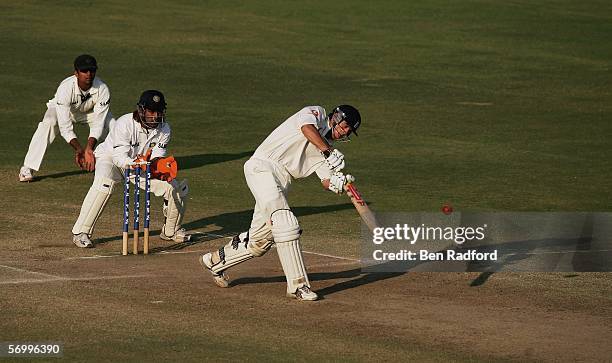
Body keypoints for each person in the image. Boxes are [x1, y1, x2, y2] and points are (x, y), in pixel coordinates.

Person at [199, 105, 362, 301]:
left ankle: (214, 262)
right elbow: (306, 129)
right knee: (286, 223)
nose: (345, 132)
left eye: (348, 131)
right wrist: (327, 151)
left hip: (280, 182)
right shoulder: (316, 114)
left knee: (260, 242)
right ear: (336, 117)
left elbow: (326, 181)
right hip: (262, 167)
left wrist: (339, 183)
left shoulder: (326, 151)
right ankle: (298, 286)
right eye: (345, 126)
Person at [71, 90, 191, 248]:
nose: (155, 116)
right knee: (104, 184)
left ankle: (170, 231)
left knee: (174, 188)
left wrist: (160, 167)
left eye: (159, 111)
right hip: (110, 159)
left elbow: (157, 156)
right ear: (141, 110)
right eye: (151, 111)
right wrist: (138, 163)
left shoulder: (164, 129)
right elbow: (119, 157)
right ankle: (81, 232)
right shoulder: (124, 123)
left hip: (139, 166)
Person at [19, 54, 114, 182]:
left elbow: (98, 123)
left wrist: (89, 149)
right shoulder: (65, 88)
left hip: (90, 112)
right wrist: (79, 149)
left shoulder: (102, 89)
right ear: (76, 73)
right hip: (64, 111)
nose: (89, 74)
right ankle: (27, 168)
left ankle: (117, 165)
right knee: (50, 122)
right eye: (84, 71)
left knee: (113, 124)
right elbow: (65, 127)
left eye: (92, 70)